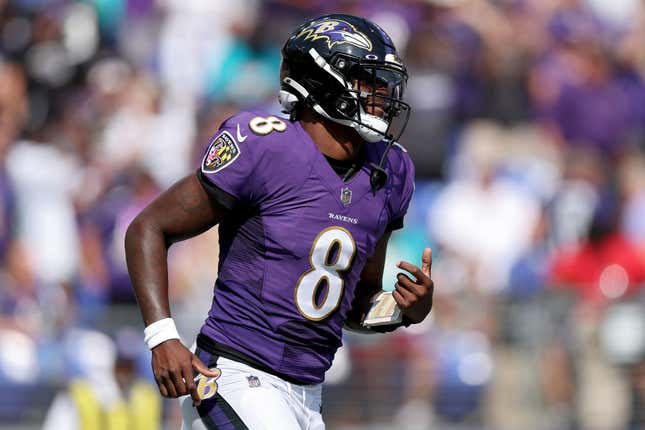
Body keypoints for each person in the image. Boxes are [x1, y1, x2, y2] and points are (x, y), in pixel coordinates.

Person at [125, 13, 435, 430]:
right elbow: (148, 227)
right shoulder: (265, 145)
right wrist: (162, 336)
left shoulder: (389, 172)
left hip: (308, 395)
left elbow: (353, 303)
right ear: (323, 81)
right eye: (368, 79)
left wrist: (405, 309)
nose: (383, 93)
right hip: (234, 376)